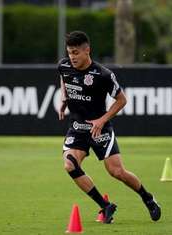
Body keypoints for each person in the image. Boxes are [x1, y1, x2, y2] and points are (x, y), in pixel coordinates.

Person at [57, 31, 161, 224]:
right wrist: (64, 98)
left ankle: (148, 198)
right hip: (77, 128)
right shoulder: (64, 65)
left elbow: (122, 100)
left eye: (76, 52)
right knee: (69, 164)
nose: (72, 57)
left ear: (87, 50)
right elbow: (64, 78)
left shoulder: (103, 75)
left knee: (117, 172)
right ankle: (105, 206)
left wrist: (102, 120)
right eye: (69, 52)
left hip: (100, 129)